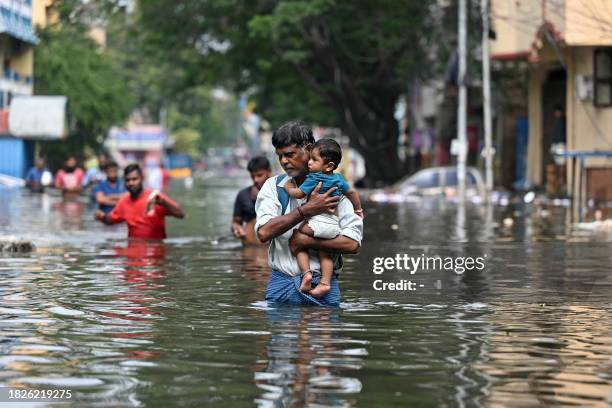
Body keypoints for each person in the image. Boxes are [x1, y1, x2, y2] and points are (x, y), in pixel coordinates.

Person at [255, 121, 363, 307]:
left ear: (309, 149)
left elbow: (353, 244)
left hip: (324, 288)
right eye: (280, 156)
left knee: (322, 336)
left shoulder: (336, 187)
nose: (284, 162)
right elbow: (264, 233)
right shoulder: (274, 187)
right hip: (281, 288)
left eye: (289, 154)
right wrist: (306, 210)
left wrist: (307, 241)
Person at [282, 138, 364, 298]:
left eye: (314, 159)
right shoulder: (339, 179)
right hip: (333, 226)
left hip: (316, 223)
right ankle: (325, 283)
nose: (309, 163)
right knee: (325, 252)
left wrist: (289, 188)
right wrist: (358, 210)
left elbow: (299, 194)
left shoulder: (314, 178)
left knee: (297, 239)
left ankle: (306, 274)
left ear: (329, 166)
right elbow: (353, 193)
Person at [95, 163, 185, 239]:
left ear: (142, 178)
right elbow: (110, 220)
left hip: (155, 253)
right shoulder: (124, 202)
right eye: (127, 180)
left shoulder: (155, 197)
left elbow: (180, 214)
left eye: (134, 179)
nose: (131, 183)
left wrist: (164, 203)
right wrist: (101, 216)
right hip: (132, 253)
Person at [232, 156, 273, 246]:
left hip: (272, 248)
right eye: (252, 176)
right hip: (250, 246)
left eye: (259, 175)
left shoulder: (281, 192)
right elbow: (236, 223)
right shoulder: (243, 195)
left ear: (269, 172)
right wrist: (237, 229)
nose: (255, 180)